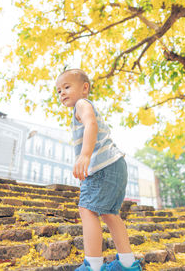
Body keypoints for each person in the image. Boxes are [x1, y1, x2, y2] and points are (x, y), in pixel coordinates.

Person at [56, 68, 142, 271]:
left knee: (87, 210)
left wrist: (85, 155)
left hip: (103, 167)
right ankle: (128, 264)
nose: (62, 93)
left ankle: (93, 266)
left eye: (67, 87)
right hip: (116, 164)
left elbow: (91, 124)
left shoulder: (81, 104)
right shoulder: (82, 105)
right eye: (59, 91)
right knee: (111, 214)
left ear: (84, 88)